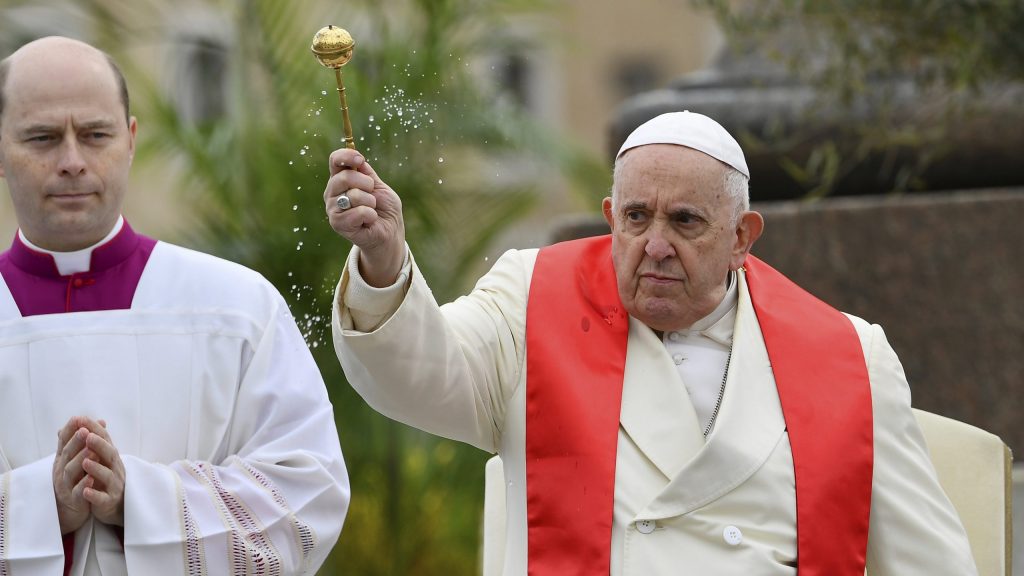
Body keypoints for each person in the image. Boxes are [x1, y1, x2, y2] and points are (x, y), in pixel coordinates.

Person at [326, 111, 977, 575]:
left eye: (686, 221)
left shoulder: (850, 358)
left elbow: (929, 561)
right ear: (611, 218)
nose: (655, 246)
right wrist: (384, 263)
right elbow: (421, 377)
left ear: (743, 237)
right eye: (636, 218)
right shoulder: (533, 298)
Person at [0, 36, 348, 574]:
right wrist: (40, 507)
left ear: (131, 140)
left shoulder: (236, 307)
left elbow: (308, 496)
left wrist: (139, 502)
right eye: (42, 137)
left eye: (95, 135)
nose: (72, 161)